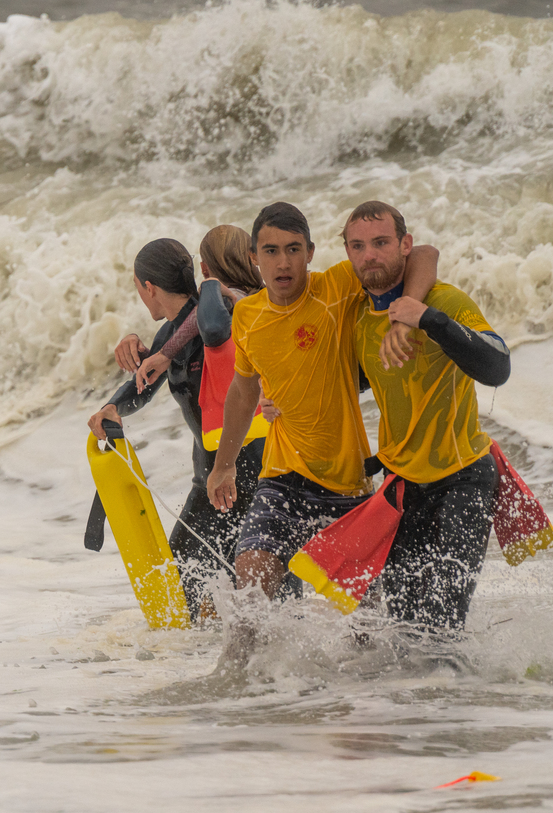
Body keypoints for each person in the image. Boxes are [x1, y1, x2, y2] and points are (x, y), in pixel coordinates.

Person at [205, 202, 437, 600]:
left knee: (366, 624)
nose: (283, 263)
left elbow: (423, 254)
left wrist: (404, 316)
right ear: (253, 257)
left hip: (346, 485)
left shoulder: (335, 287)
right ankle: (243, 667)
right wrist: (223, 465)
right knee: (251, 592)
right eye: (271, 251)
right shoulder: (247, 315)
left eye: (294, 249)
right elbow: (244, 391)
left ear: (310, 253)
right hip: (280, 478)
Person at [343, 200, 509, 632]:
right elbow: (354, 381)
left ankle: (457, 693)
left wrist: (428, 319)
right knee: (404, 631)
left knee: (442, 627)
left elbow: (498, 367)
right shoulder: (358, 317)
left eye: (381, 243)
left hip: (463, 478)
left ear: (405, 245)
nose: (369, 255)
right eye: (358, 246)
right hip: (402, 489)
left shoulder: (444, 300)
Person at [87, 238, 224, 619]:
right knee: (197, 581)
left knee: (188, 577)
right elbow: (142, 388)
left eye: (138, 288)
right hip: (210, 476)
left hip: (235, 473)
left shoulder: (217, 317)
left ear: (149, 288)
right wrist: (113, 406)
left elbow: (212, 326)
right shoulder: (171, 333)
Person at [131, 226, 271, 555]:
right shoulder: (241, 301)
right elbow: (194, 322)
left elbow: (212, 327)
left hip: (254, 462)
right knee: (217, 568)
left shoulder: (247, 305)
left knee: (265, 569)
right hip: (225, 466)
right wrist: (162, 353)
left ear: (205, 269)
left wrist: (209, 285)